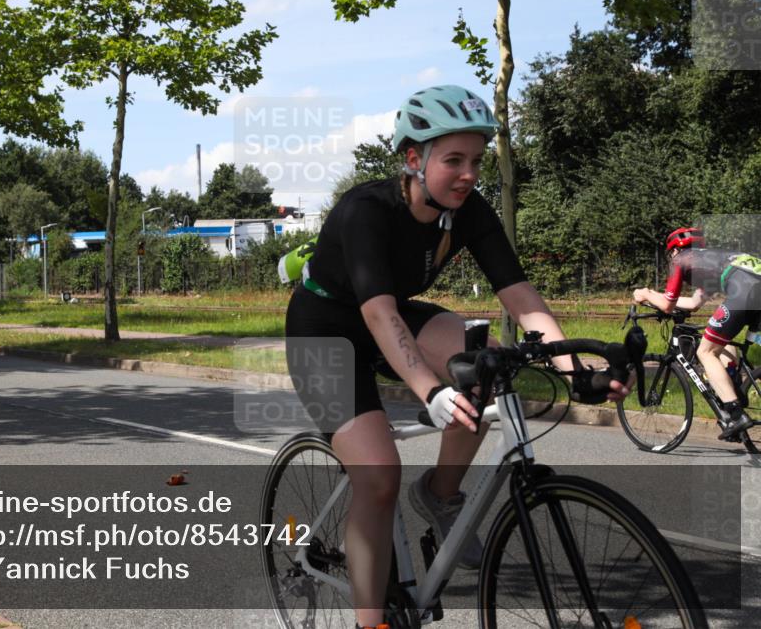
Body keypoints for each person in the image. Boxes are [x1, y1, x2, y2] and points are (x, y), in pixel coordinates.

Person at [284, 84, 629, 629]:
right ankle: (369, 622)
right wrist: (430, 389)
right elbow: (377, 315)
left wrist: (574, 367)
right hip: (327, 329)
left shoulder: (468, 211)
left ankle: (441, 496)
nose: (469, 174)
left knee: (486, 360)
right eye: (453, 160)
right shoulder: (366, 210)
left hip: (395, 313)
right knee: (378, 477)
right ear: (414, 159)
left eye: (476, 160)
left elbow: (518, 292)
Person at [633, 227, 761, 439]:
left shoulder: (680, 260)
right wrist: (656, 296)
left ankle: (736, 415)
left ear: (674, 250)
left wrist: (645, 294)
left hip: (744, 292)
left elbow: (667, 305)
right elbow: (693, 303)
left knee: (706, 352)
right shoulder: (713, 261)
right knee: (723, 340)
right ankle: (733, 387)